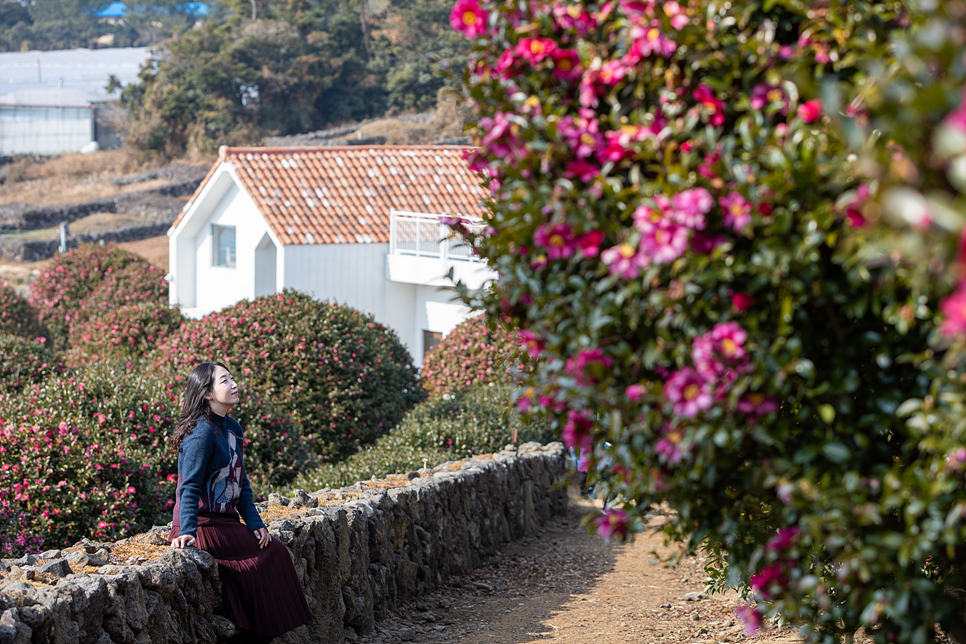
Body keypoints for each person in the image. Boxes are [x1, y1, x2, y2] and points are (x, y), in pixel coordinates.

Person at [169, 362, 312, 644]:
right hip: (202, 525)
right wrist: (186, 529)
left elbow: (240, 481)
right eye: (224, 380)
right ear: (207, 393)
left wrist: (255, 523)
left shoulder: (232, 427)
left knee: (275, 551)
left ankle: (259, 634)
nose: (234, 384)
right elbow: (189, 486)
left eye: (232, 378)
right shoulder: (201, 432)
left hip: (226, 523)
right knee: (247, 568)